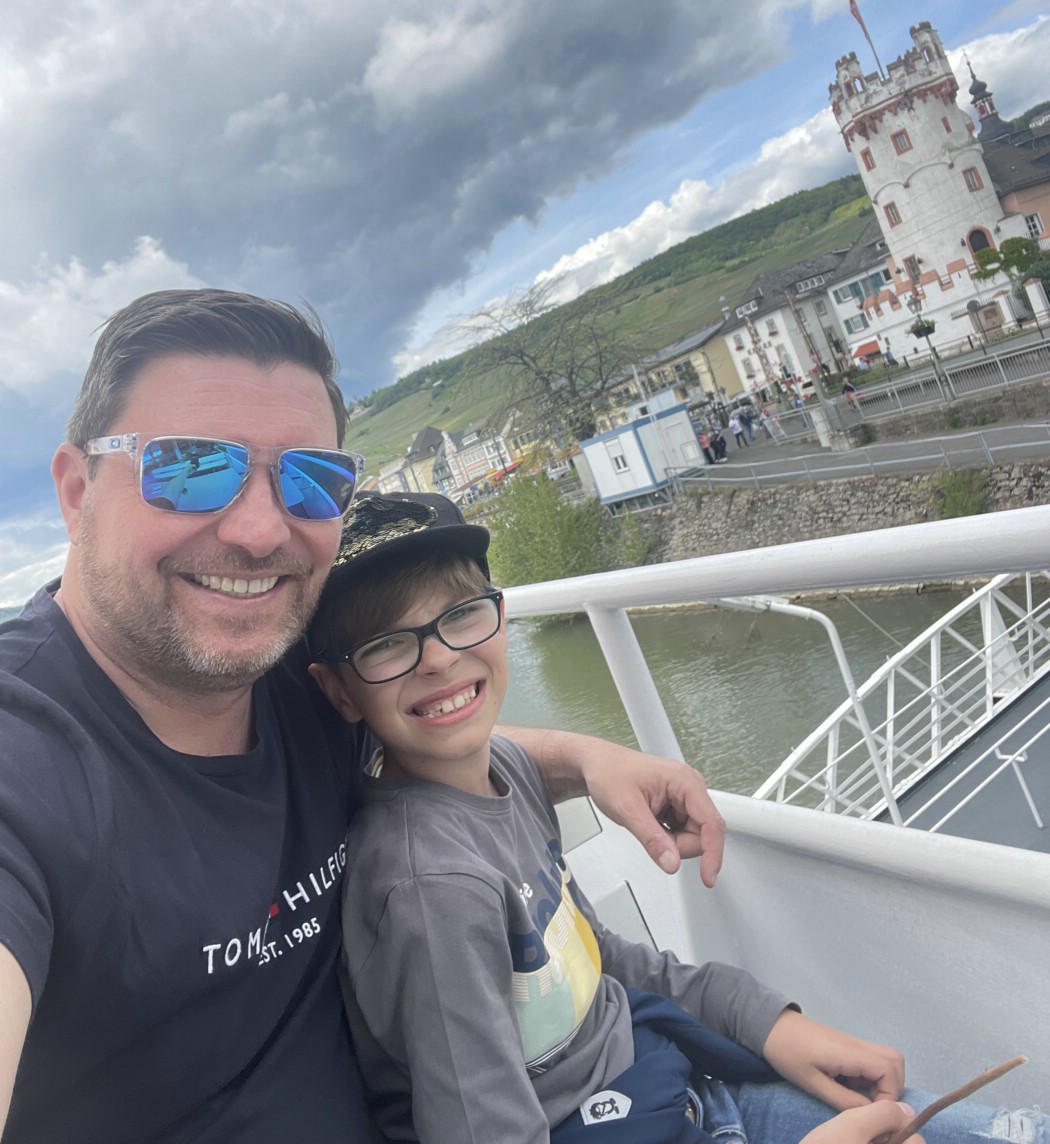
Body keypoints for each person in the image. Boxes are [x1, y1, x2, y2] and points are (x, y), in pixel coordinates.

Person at [0, 289, 729, 1144]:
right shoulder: (26, 755)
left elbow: (430, 731)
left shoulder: (294, 675)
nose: (260, 530)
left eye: (311, 481)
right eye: (191, 467)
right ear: (77, 490)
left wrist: (587, 757)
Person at [308, 493, 1004, 1144]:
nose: (439, 658)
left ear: (500, 615)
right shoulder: (432, 891)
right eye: (385, 645)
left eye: (461, 614)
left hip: (669, 1085)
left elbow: (598, 961)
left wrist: (763, 1022)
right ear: (338, 690)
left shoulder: (510, 772)